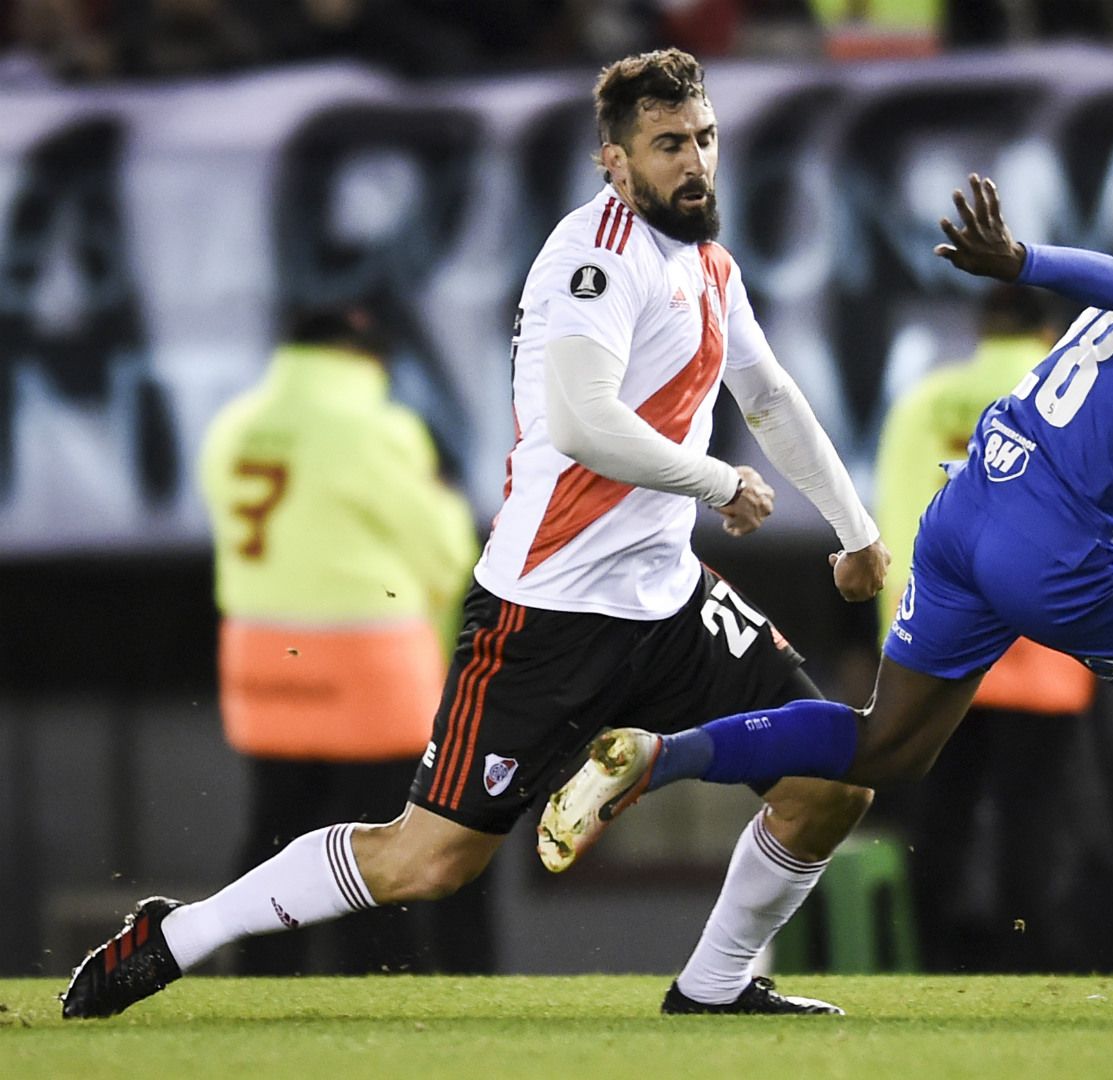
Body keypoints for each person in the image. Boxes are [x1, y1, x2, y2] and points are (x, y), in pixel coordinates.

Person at [61, 47, 891, 1020]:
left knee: (834, 774)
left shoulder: (709, 263)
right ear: (614, 163)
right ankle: (178, 935)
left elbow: (770, 392)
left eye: (704, 138)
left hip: (668, 598)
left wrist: (854, 526)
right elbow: (583, 422)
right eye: (667, 144)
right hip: (547, 616)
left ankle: (714, 987)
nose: (695, 162)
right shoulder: (595, 260)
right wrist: (718, 479)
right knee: (427, 861)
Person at [556, 173, 1113, 985]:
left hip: (967, 509)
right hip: (1055, 544)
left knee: (890, 747)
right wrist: (1025, 261)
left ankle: (660, 754)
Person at [198, 302, 492, 975]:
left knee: (274, 827)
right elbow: (444, 548)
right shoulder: (371, 429)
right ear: (366, 359)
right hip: (366, 663)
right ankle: (380, 977)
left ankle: (261, 978)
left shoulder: (235, 425)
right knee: (379, 835)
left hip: (259, 660)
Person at [872, 283, 1113, 970]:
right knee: (1034, 816)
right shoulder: (1073, 403)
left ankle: (933, 960)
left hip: (941, 637)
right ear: (1048, 332)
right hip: (1046, 644)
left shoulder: (921, 406)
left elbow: (890, 516)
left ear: (982, 324)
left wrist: (899, 633)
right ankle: (1023, 958)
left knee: (941, 810)